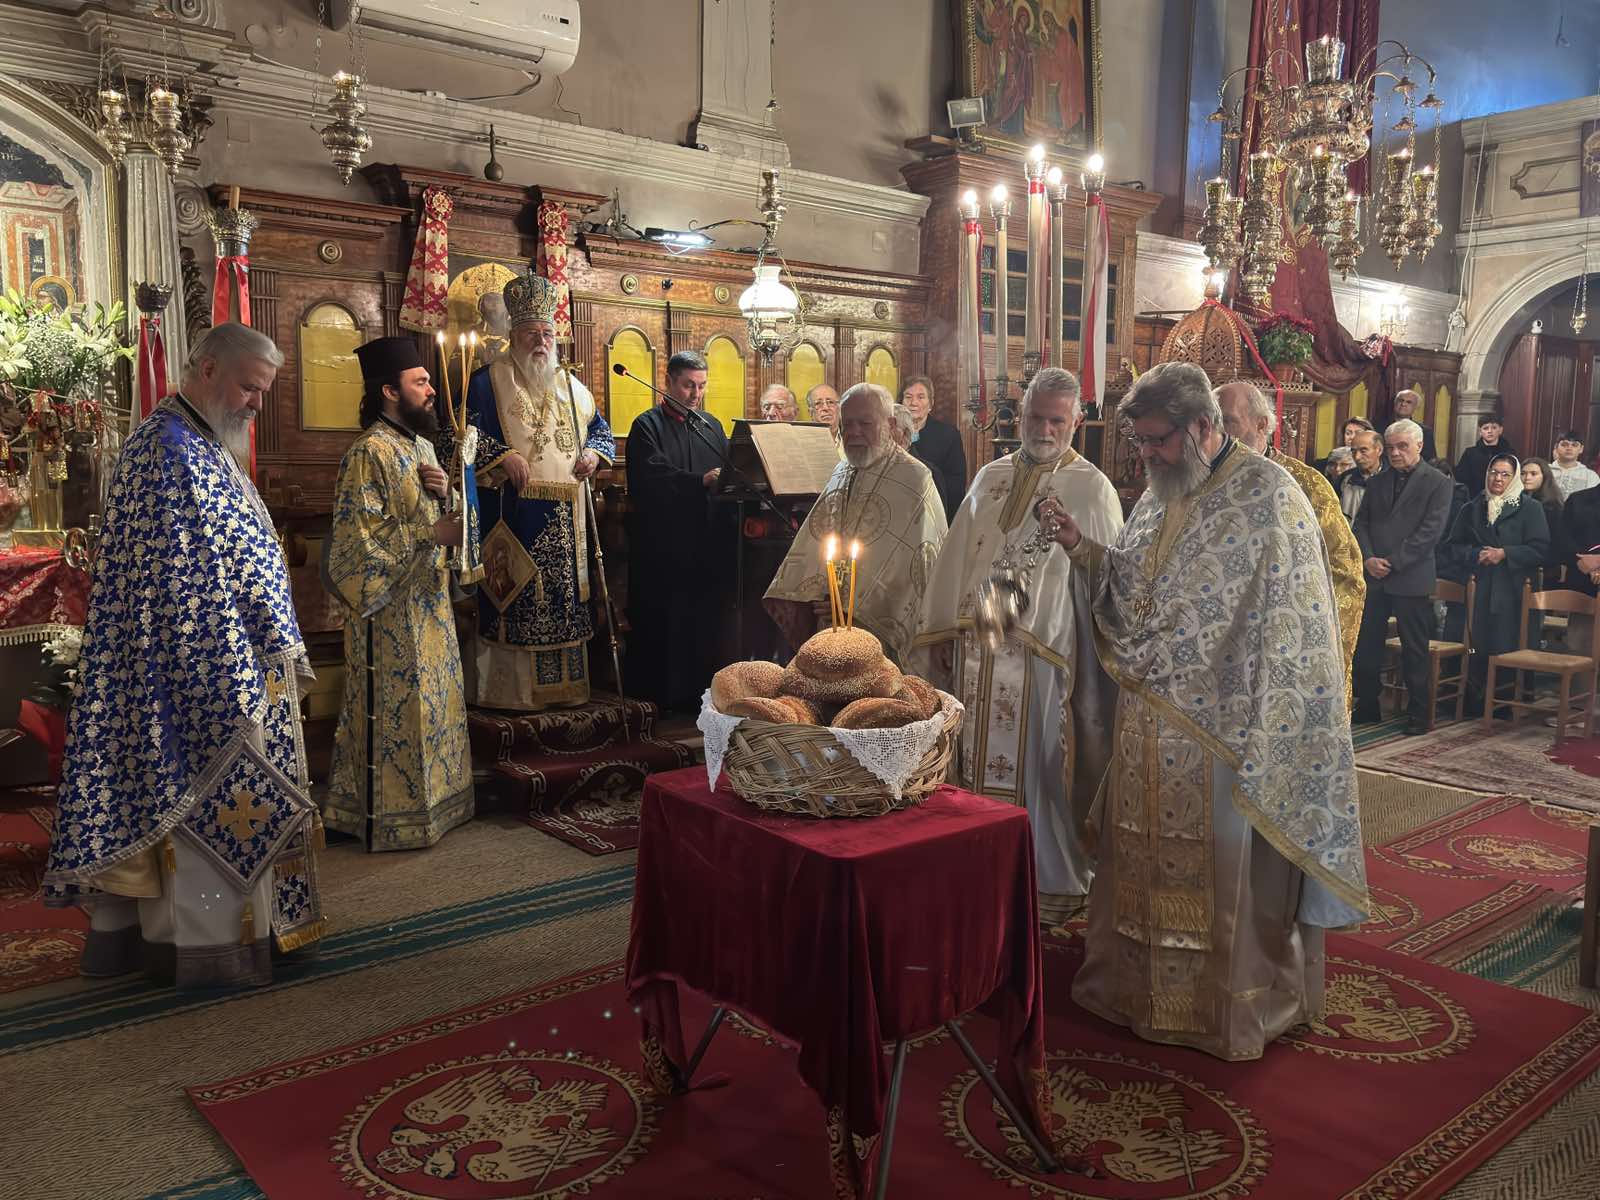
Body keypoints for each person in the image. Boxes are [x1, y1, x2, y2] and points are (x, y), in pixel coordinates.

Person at [1046, 361, 1368, 1061]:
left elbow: (1296, 626)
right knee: (1141, 861)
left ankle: (1226, 1010)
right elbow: (1134, 584)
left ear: (1201, 426)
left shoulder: (1271, 495)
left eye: (1158, 440)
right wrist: (1081, 548)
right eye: (1140, 443)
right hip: (1149, 722)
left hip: (1227, 729)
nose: (1148, 455)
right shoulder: (1161, 492)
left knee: (1223, 878)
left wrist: (1256, 712)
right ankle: (1134, 990)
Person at [44, 323, 326, 988]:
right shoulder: (171, 450)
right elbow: (187, 584)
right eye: (249, 388)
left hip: (223, 653)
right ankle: (207, 951)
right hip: (198, 666)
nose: (257, 404)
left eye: (264, 391)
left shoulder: (198, 442)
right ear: (207, 369)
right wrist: (233, 674)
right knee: (205, 793)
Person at [913, 367, 1121, 922]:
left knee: (1041, 765)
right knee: (969, 757)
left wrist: (1076, 545)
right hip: (976, 648)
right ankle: (974, 865)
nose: (1045, 429)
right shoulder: (990, 476)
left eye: (1057, 420)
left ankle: (1043, 877)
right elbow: (957, 555)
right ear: (1021, 414)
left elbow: (1111, 579)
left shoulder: (1092, 486)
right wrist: (943, 630)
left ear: (1077, 420)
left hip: (1043, 657)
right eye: (1036, 417)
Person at [323, 336, 474, 851]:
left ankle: (441, 804)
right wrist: (433, 532)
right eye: (421, 382)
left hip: (431, 604)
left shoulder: (423, 448)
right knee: (400, 712)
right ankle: (390, 816)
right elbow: (356, 545)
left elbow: (446, 523)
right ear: (390, 391)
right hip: (389, 615)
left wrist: (446, 494)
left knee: (435, 706)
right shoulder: (367, 453)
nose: (431, 391)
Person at [439, 269, 615, 710]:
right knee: (515, 601)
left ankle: (567, 691)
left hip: (568, 518)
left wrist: (594, 454)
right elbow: (455, 437)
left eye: (547, 333)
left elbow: (601, 431)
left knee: (563, 604)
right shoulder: (485, 382)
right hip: (511, 513)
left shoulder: (573, 387)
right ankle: (510, 695)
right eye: (531, 333)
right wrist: (502, 456)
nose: (541, 341)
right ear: (513, 336)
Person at [765, 383, 948, 664]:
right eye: (847, 424)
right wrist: (821, 593)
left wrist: (851, 604)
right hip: (829, 618)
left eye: (865, 423)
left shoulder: (914, 477)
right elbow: (819, 538)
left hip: (880, 631)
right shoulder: (842, 469)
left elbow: (918, 567)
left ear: (889, 424)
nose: (854, 432)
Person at [1215, 381, 1365, 695]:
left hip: (1282, 644)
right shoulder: (1205, 483)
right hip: (1218, 645)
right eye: (1212, 423)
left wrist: (1318, 648)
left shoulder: (1306, 485)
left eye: (1227, 421)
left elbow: (1344, 572)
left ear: (1261, 425)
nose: (1218, 433)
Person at [626, 350, 735, 710]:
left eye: (701, 386)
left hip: (707, 544)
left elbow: (731, 470)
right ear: (668, 382)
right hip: (664, 547)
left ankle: (703, 696)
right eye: (688, 385)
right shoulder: (647, 426)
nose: (695, 394)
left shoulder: (711, 426)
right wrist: (698, 481)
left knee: (704, 623)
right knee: (667, 623)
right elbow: (650, 477)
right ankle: (665, 699)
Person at [1352, 419, 1454, 732]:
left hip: (1411, 575)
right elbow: (1361, 524)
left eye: (1402, 446)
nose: (1395, 453)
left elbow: (1430, 532)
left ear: (1419, 446)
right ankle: (1367, 705)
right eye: (1391, 447)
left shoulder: (1438, 482)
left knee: (1415, 648)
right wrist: (1368, 558)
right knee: (1367, 645)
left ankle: (1419, 713)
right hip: (1375, 576)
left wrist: (1393, 562)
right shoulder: (1378, 482)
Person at [1447, 454, 1551, 716]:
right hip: (1478, 586)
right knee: (1475, 644)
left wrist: (1505, 553)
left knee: (1505, 643)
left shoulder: (1530, 508)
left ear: (1514, 479)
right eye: (1493, 472)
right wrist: (1476, 554)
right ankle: (1472, 701)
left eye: (1505, 474)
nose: (1498, 478)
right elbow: (1452, 547)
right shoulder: (1472, 507)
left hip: (1513, 589)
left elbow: (1541, 549)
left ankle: (1503, 703)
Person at [901, 375, 969, 523]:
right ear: (901, 402)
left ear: (931, 404)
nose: (914, 403)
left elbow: (956, 483)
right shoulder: (892, 434)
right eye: (908, 397)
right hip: (899, 510)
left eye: (921, 397)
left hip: (935, 512)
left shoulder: (948, 435)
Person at [1557, 481, 1600, 655]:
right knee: (1579, 652)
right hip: (1583, 589)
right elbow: (1561, 541)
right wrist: (1580, 561)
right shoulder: (1578, 500)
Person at [1520, 456, 1566, 574]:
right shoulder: (1514, 501)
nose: (1527, 478)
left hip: (1544, 566)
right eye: (1523, 473)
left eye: (1533, 474)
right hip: (1518, 561)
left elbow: (1556, 543)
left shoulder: (1553, 507)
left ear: (1545, 477)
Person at [1455, 415, 1515, 499]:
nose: (1490, 431)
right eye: (1485, 428)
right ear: (1480, 431)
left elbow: (1514, 479)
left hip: (1503, 498)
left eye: (1494, 428)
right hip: (1475, 498)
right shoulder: (1470, 453)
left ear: (1500, 430)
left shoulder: (1509, 453)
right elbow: (1461, 480)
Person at [1340, 429, 1384, 522]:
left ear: (1379, 450)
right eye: (1353, 451)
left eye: (1363, 451)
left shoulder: (1392, 479)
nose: (1357, 457)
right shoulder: (1344, 479)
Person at [1550, 430, 1599, 500]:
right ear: (1556, 447)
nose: (1569, 448)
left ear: (1581, 449)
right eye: (1564, 444)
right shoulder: (1545, 470)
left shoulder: (1590, 476)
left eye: (1574, 445)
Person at [1391, 389, 1436, 462]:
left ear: (1415, 407)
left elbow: (1429, 459)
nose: (1403, 404)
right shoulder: (1378, 426)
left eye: (1409, 402)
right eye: (1401, 400)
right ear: (1395, 403)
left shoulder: (1425, 432)